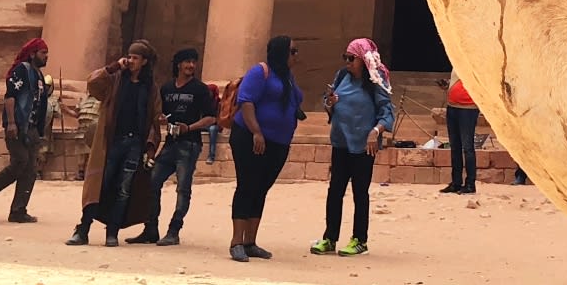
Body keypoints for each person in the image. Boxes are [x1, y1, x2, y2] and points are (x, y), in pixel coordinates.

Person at [69, 39, 162, 248]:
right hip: (111, 143)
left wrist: (150, 147)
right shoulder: (116, 80)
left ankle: (113, 231)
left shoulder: (150, 88)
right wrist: (112, 67)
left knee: (124, 189)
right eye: (129, 56)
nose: (130, 61)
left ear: (144, 61)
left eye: (135, 58)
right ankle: (83, 229)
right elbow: (92, 84)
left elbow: (155, 118)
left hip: (134, 145)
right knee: (100, 185)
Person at [311, 37, 395, 257]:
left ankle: (360, 240)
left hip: (363, 147)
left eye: (351, 58)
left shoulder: (375, 82)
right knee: (335, 191)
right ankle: (330, 237)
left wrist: (375, 132)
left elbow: (387, 114)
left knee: (360, 193)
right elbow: (329, 106)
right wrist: (330, 102)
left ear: (363, 60)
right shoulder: (341, 77)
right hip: (340, 142)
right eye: (345, 57)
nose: (347, 62)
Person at [127, 47, 218, 247]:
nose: (191, 66)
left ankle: (174, 230)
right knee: (152, 182)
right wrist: (160, 119)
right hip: (170, 143)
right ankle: (151, 228)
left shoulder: (200, 89)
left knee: (183, 189)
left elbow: (211, 117)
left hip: (190, 144)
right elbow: (160, 113)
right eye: (188, 62)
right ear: (178, 64)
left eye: (194, 62)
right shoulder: (166, 89)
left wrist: (189, 128)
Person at [228, 34, 303, 263]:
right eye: (293, 51)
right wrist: (257, 132)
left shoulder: (287, 77)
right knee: (247, 185)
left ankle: (250, 241)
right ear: (281, 52)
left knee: (261, 188)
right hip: (251, 138)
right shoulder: (260, 72)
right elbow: (246, 101)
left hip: (278, 142)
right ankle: (236, 242)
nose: (296, 56)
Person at [0, 36, 50, 224]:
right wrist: (11, 123)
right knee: (20, 162)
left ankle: (18, 210)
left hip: (32, 128)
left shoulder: (39, 76)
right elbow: (10, 98)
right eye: (43, 53)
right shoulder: (21, 71)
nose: (46, 57)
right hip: (17, 126)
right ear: (32, 54)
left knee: (31, 169)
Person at [441, 72, 478, 195]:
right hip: (452, 105)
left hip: (468, 107)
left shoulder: (474, 63)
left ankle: (470, 183)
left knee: (467, 147)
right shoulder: (456, 63)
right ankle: (456, 182)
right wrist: (447, 84)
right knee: (455, 146)